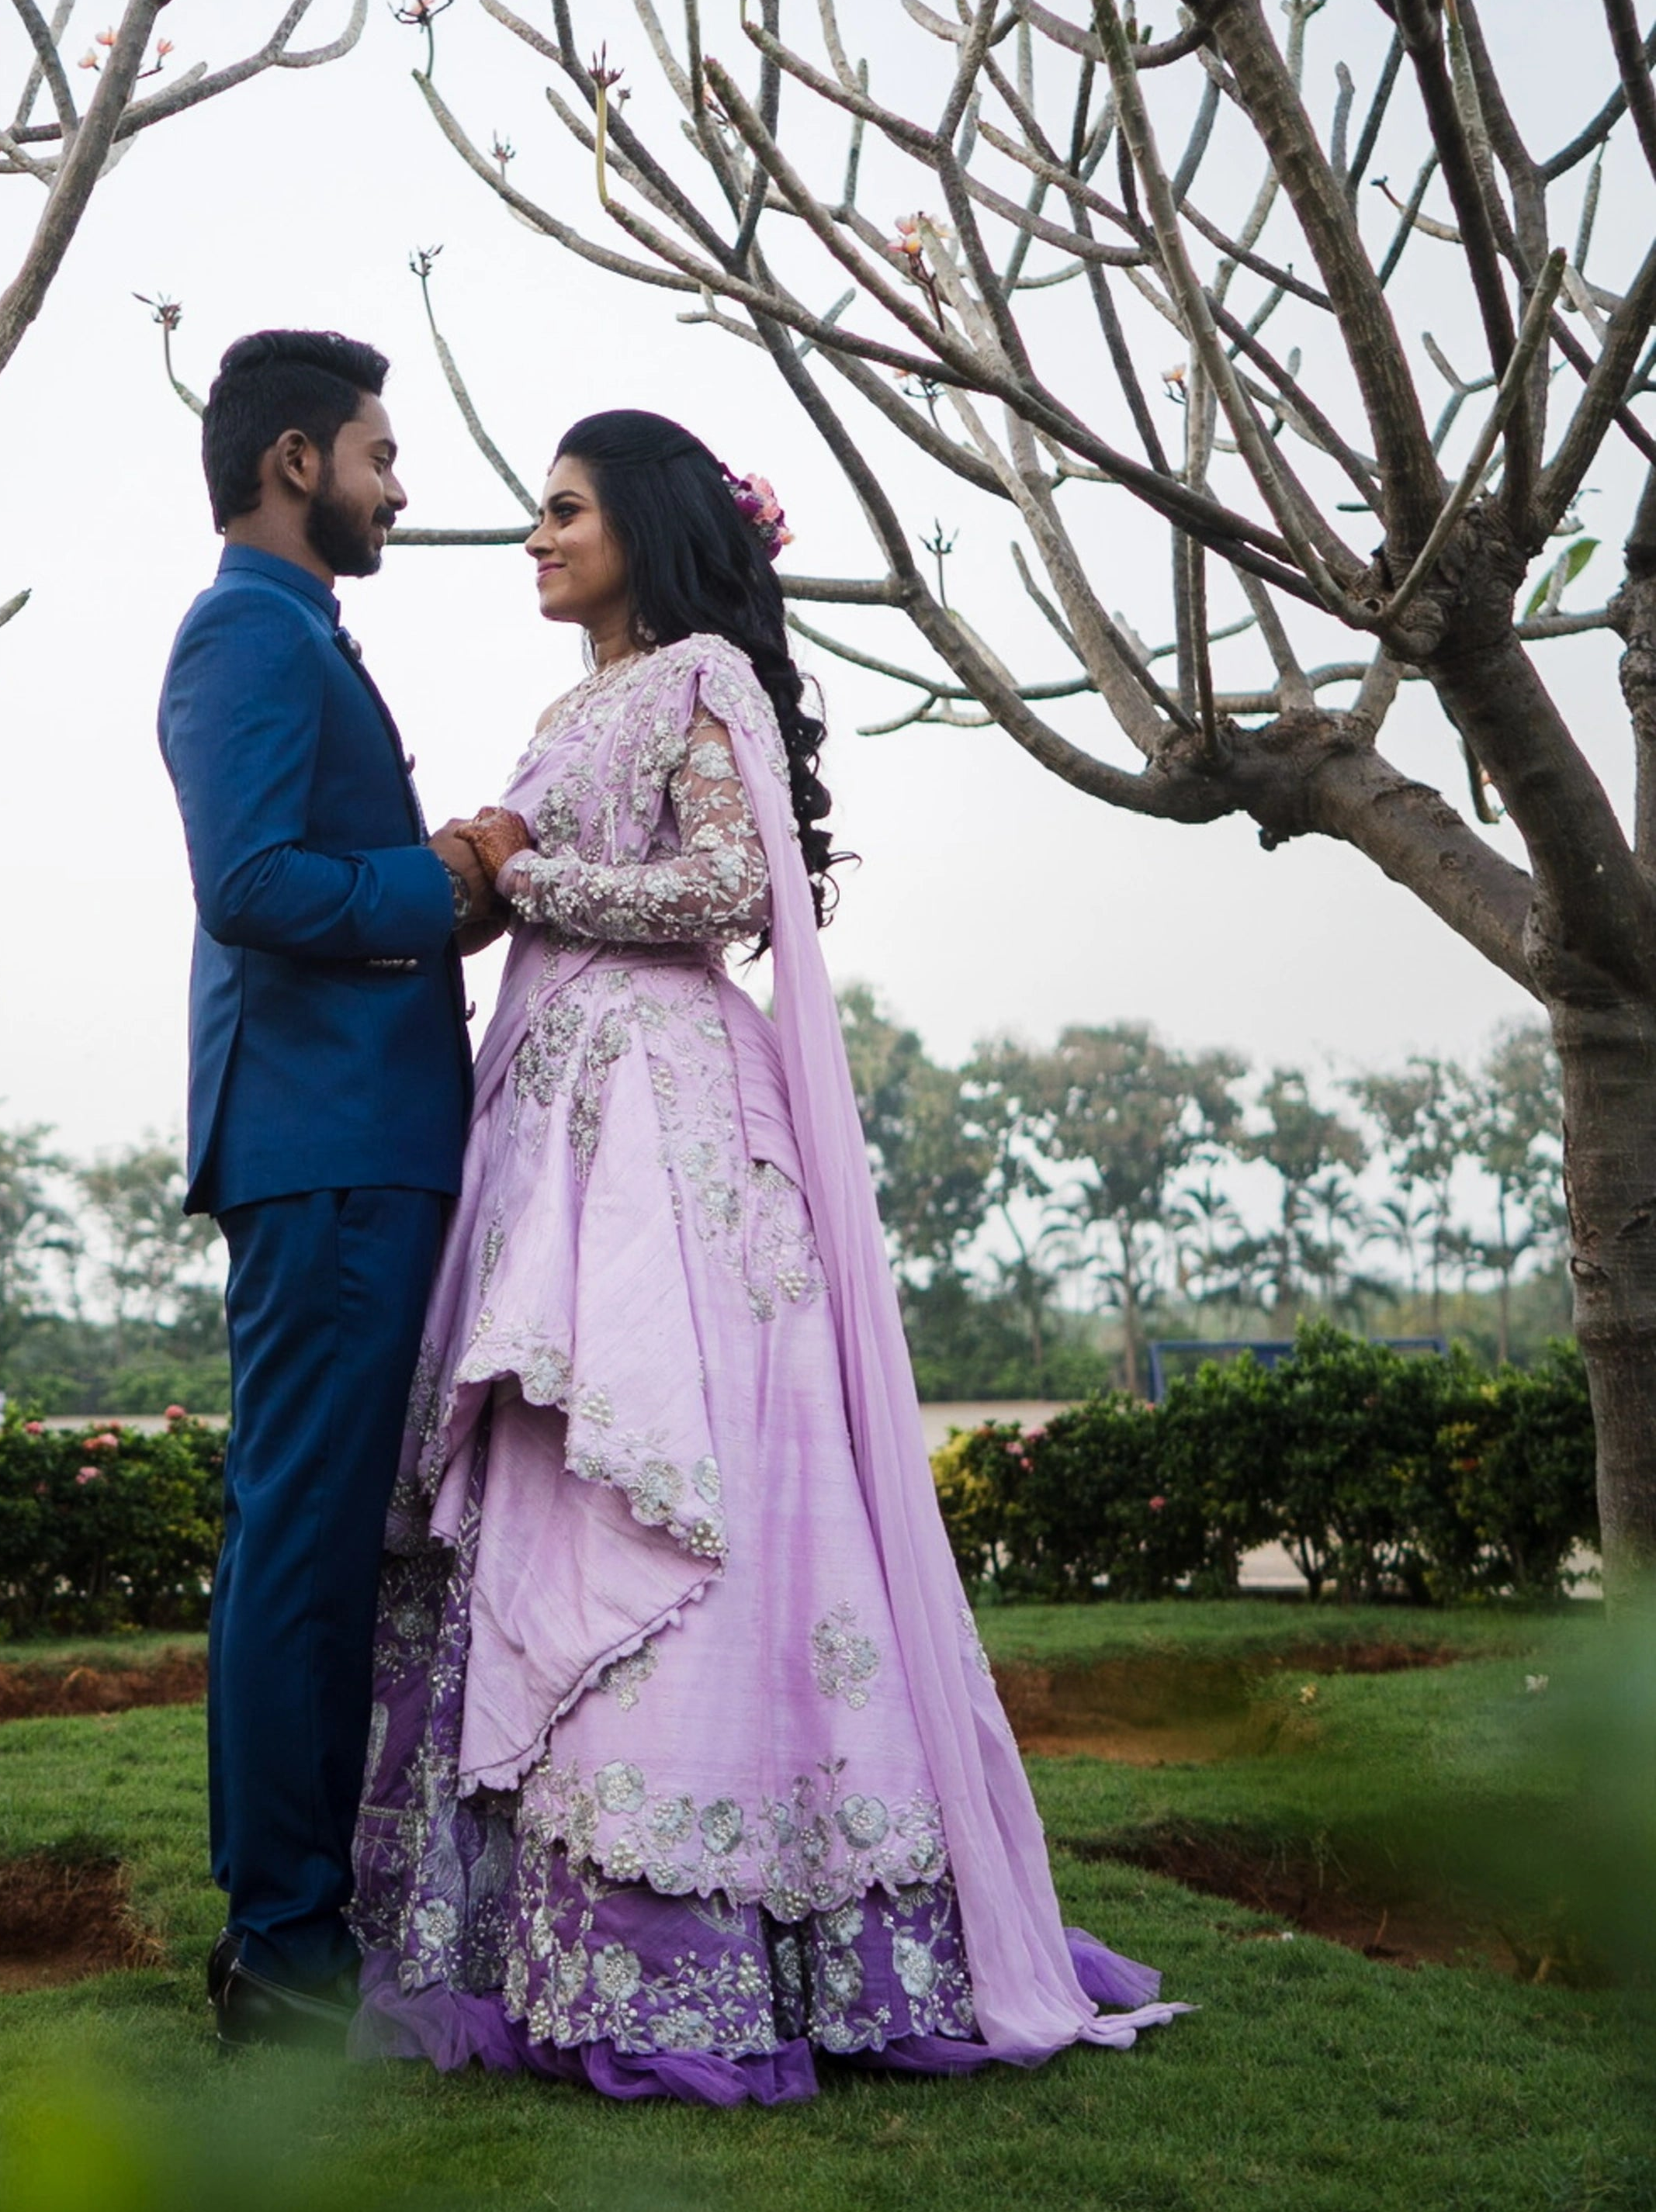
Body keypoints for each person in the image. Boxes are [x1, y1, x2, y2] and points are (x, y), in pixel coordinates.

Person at [350, 409, 1183, 2101]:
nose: (535, 536)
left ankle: (740, 1930)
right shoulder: (562, 709)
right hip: (549, 1120)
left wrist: (536, 875)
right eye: (536, 511)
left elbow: (734, 884)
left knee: (675, 1477)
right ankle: (542, 1929)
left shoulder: (702, 675)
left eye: (564, 509)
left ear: (646, 528)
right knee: (553, 1482)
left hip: (664, 1126)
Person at [158, 328, 501, 2054]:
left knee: (305, 1541)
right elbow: (251, 881)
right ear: (298, 459)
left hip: (350, 1143)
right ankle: (287, 1951)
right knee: (301, 1547)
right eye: (380, 452)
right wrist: (441, 884)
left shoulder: (297, 630)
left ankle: (290, 1931)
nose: (399, 486)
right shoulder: (247, 629)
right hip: (329, 1147)